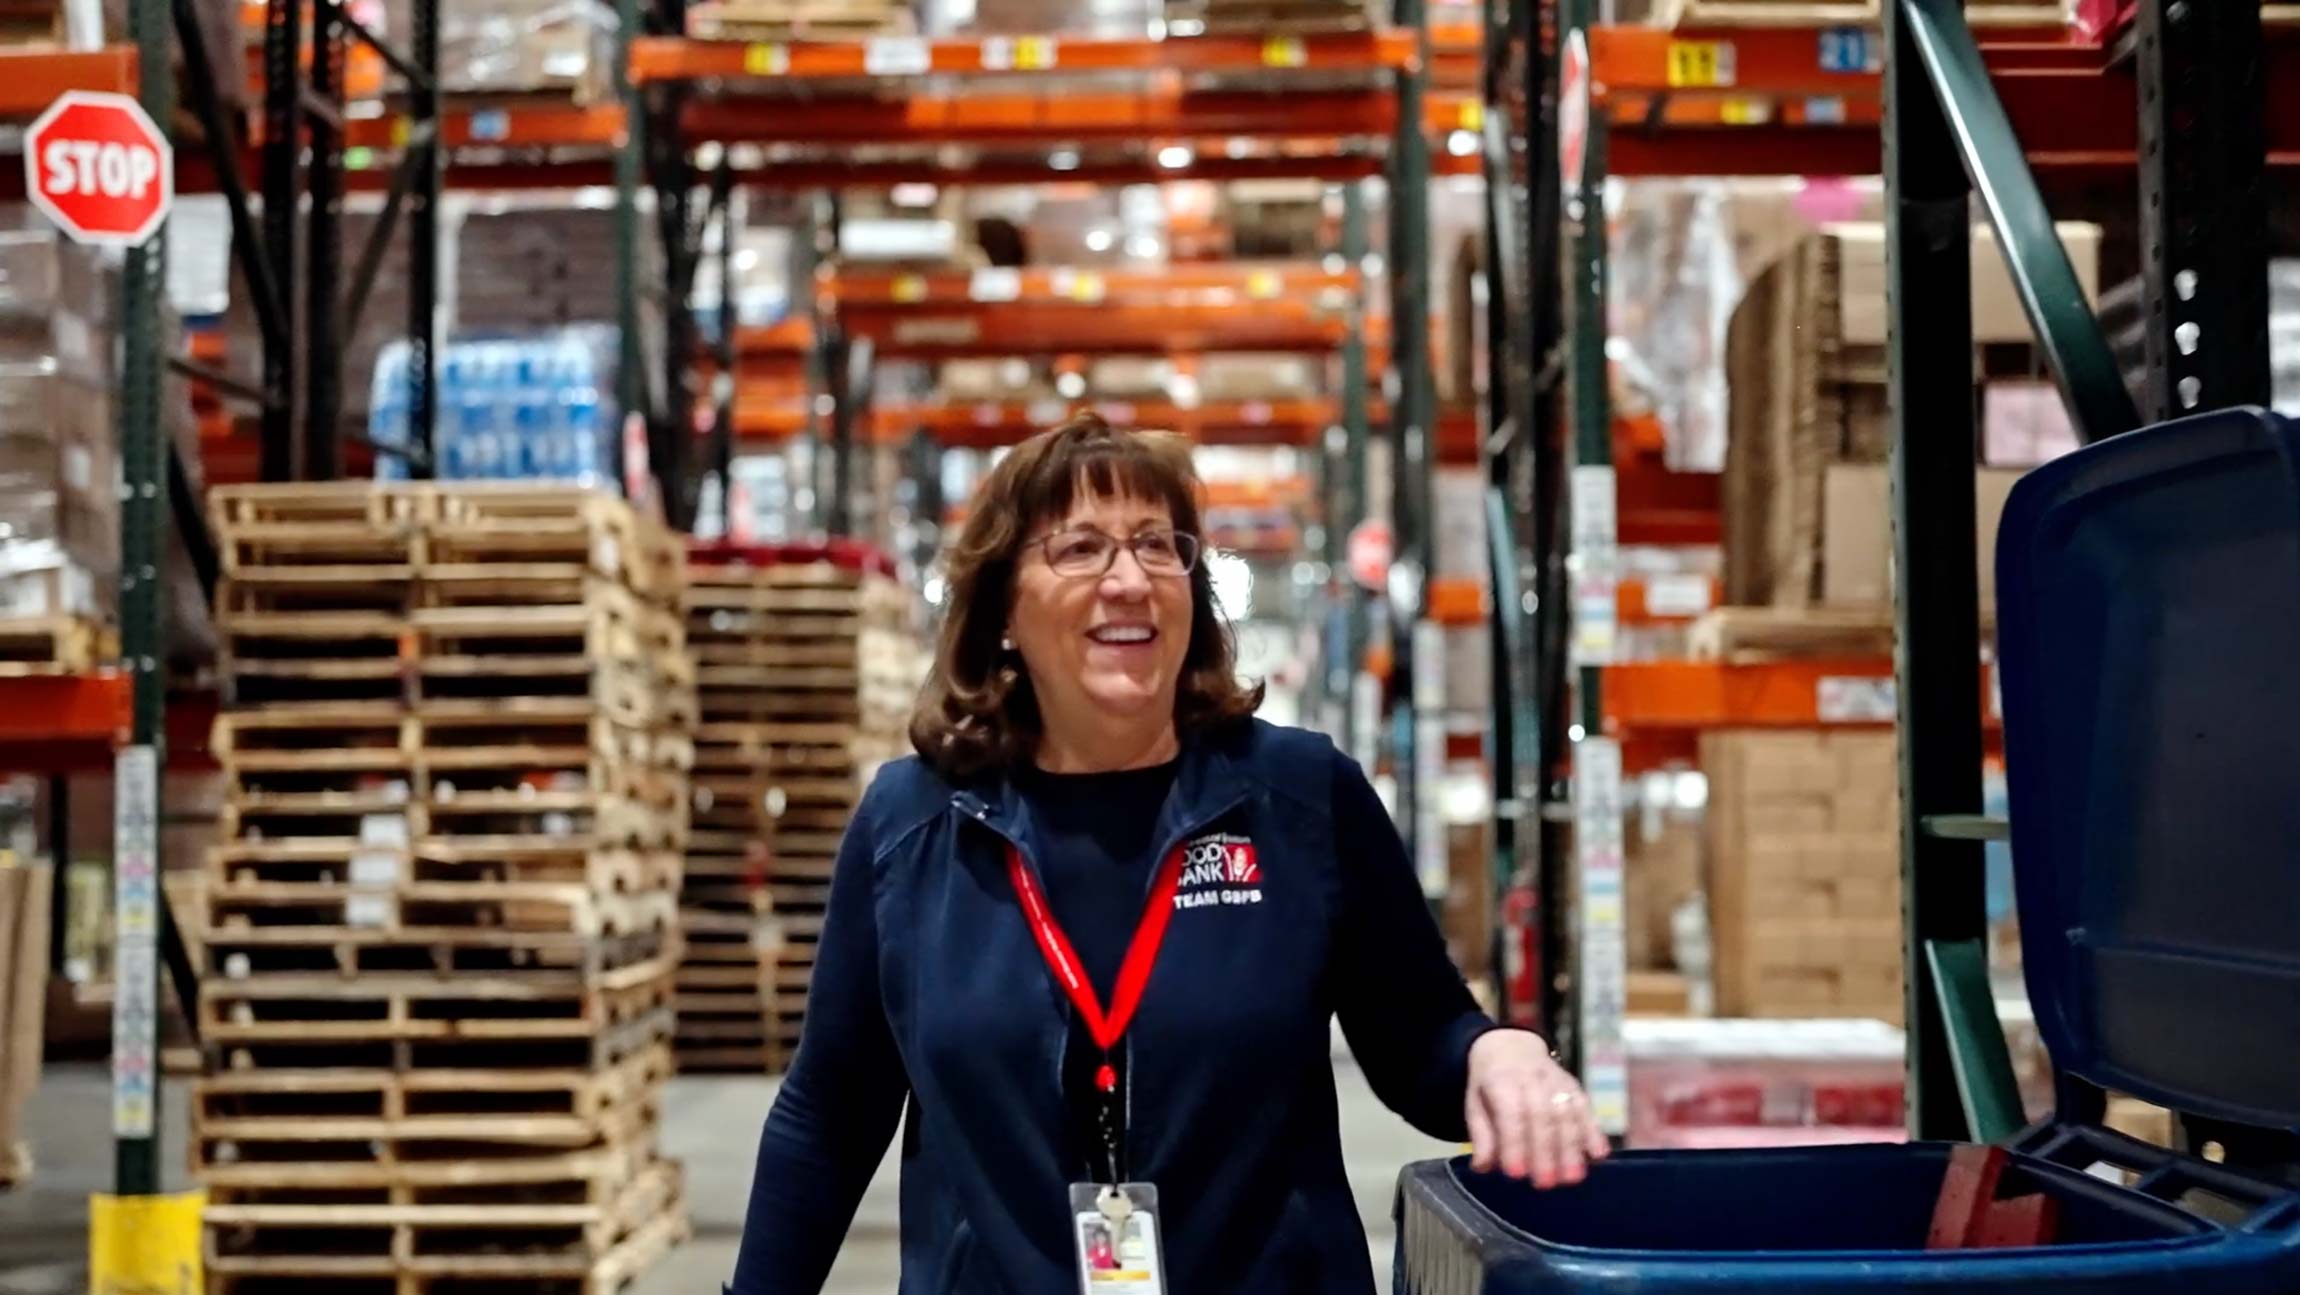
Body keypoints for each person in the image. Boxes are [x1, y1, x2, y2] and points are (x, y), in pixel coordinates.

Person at [729, 413, 1607, 1295]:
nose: (1130, 580)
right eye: (1080, 549)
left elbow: (1421, 1041)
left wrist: (1495, 1054)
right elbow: (831, 1115)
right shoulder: (914, 824)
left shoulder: (1300, 799)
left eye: (1158, 545)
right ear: (1002, 611)